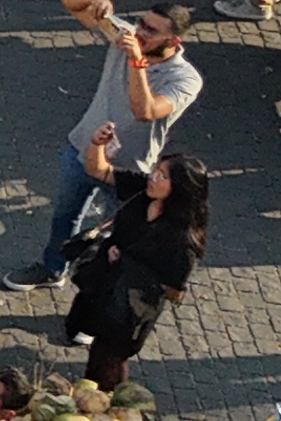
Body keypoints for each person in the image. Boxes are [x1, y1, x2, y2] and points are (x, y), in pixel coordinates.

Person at [9, 0, 201, 286]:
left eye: (151, 30)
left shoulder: (184, 79)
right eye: (141, 23)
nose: (139, 32)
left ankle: (100, 294)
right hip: (85, 149)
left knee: (120, 235)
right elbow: (70, 3)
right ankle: (52, 269)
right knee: (64, 216)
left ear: (173, 41)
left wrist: (136, 60)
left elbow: (145, 111)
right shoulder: (125, 37)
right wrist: (95, 1)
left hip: (129, 170)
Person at [59, 144, 211, 391]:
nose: (153, 177)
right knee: (87, 324)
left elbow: (173, 291)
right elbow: (100, 170)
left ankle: (106, 399)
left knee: (109, 356)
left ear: (180, 188)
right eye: (156, 170)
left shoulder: (182, 241)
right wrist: (98, 143)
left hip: (131, 303)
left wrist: (131, 267)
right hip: (104, 281)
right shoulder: (144, 191)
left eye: (163, 176)